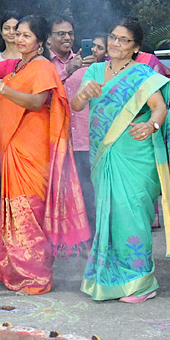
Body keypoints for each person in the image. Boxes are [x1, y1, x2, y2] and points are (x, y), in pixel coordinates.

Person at [71, 20, 170, 302]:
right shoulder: (94, 71)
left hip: (135, 153)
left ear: (135, 48)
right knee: (110, 216)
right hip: (104, 154)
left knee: (132, 215)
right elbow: (76, 105)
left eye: (123, 40)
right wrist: (84, 93)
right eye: (113, 37)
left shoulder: (142, 74)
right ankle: (110, 279)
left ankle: (143, 282)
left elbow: (158, 108)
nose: (115, 43)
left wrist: (151, 127)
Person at [0, 5, 90, 294]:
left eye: (26, 36)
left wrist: (2, 89)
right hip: (12, 147)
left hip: (33, 151)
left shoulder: (42, 67)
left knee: (30, 211)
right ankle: (19, 272)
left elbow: (37, 102)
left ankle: (36, 277)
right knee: (16, 210)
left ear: (40, 41)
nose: (19, 39)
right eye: (17, 34)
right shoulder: (16, 65)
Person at [62, 35, 107, 228]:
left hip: (95, 139)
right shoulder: (72, 66)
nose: (94, 51)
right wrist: (71, 69)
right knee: (78, 193)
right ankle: (83, 239)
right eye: (92, 47)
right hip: (71, 138)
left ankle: (100, 238)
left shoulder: (106, 73)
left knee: (95, 193)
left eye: (99, 47)